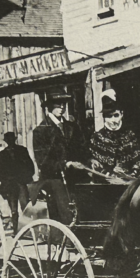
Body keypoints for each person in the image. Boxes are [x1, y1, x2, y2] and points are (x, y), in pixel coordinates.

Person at [32, 92, 87, 224]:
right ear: (49, 106)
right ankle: (66, 238)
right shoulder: (41, 130)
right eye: (58, 104)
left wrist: (87, 160)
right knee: (65, 211)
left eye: (64, 104)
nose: (62, 107)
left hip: (74, 177)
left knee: (85, 203)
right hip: (53, 178)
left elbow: (82, 149)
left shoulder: (72, 127)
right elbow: (43, 162)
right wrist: (65, 164)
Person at [89, 90, 140, 181]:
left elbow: (137, 161)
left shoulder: (130, 135)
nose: (113, 120)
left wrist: (130, 175)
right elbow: (94, 164)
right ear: (104, 118)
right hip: (105, 184)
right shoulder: (97, 137)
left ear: (122, 114)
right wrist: (110, 175)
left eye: (116, 115)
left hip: (128, 183)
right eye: (109, 116)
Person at [0, 131, 35, 232]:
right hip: (10, 186)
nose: (10, 142)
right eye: (8, 140)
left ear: (15, 139)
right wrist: (6, 180)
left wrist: (25, 178)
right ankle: (16, 229)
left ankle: (28, 230)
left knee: (25, 207)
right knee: (13, 210)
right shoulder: (2, 155)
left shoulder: (22, 151)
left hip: (21, 183)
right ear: (6, 141)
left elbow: (30, 166)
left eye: (12, 139)